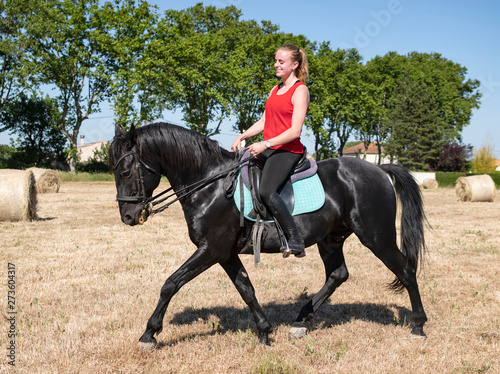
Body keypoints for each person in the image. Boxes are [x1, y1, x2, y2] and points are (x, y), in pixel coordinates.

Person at [231, 43, 309, 258]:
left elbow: (295, 131)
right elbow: (265, 121)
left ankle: (294, 239)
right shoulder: (275, 89)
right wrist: (243, 136)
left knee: (267, 191)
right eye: (275, 60)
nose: (276, 65)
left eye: (281, 62)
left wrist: (265, 144)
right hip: (271, 148)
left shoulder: (300, 90)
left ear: (294, 65)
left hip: (288, 150)